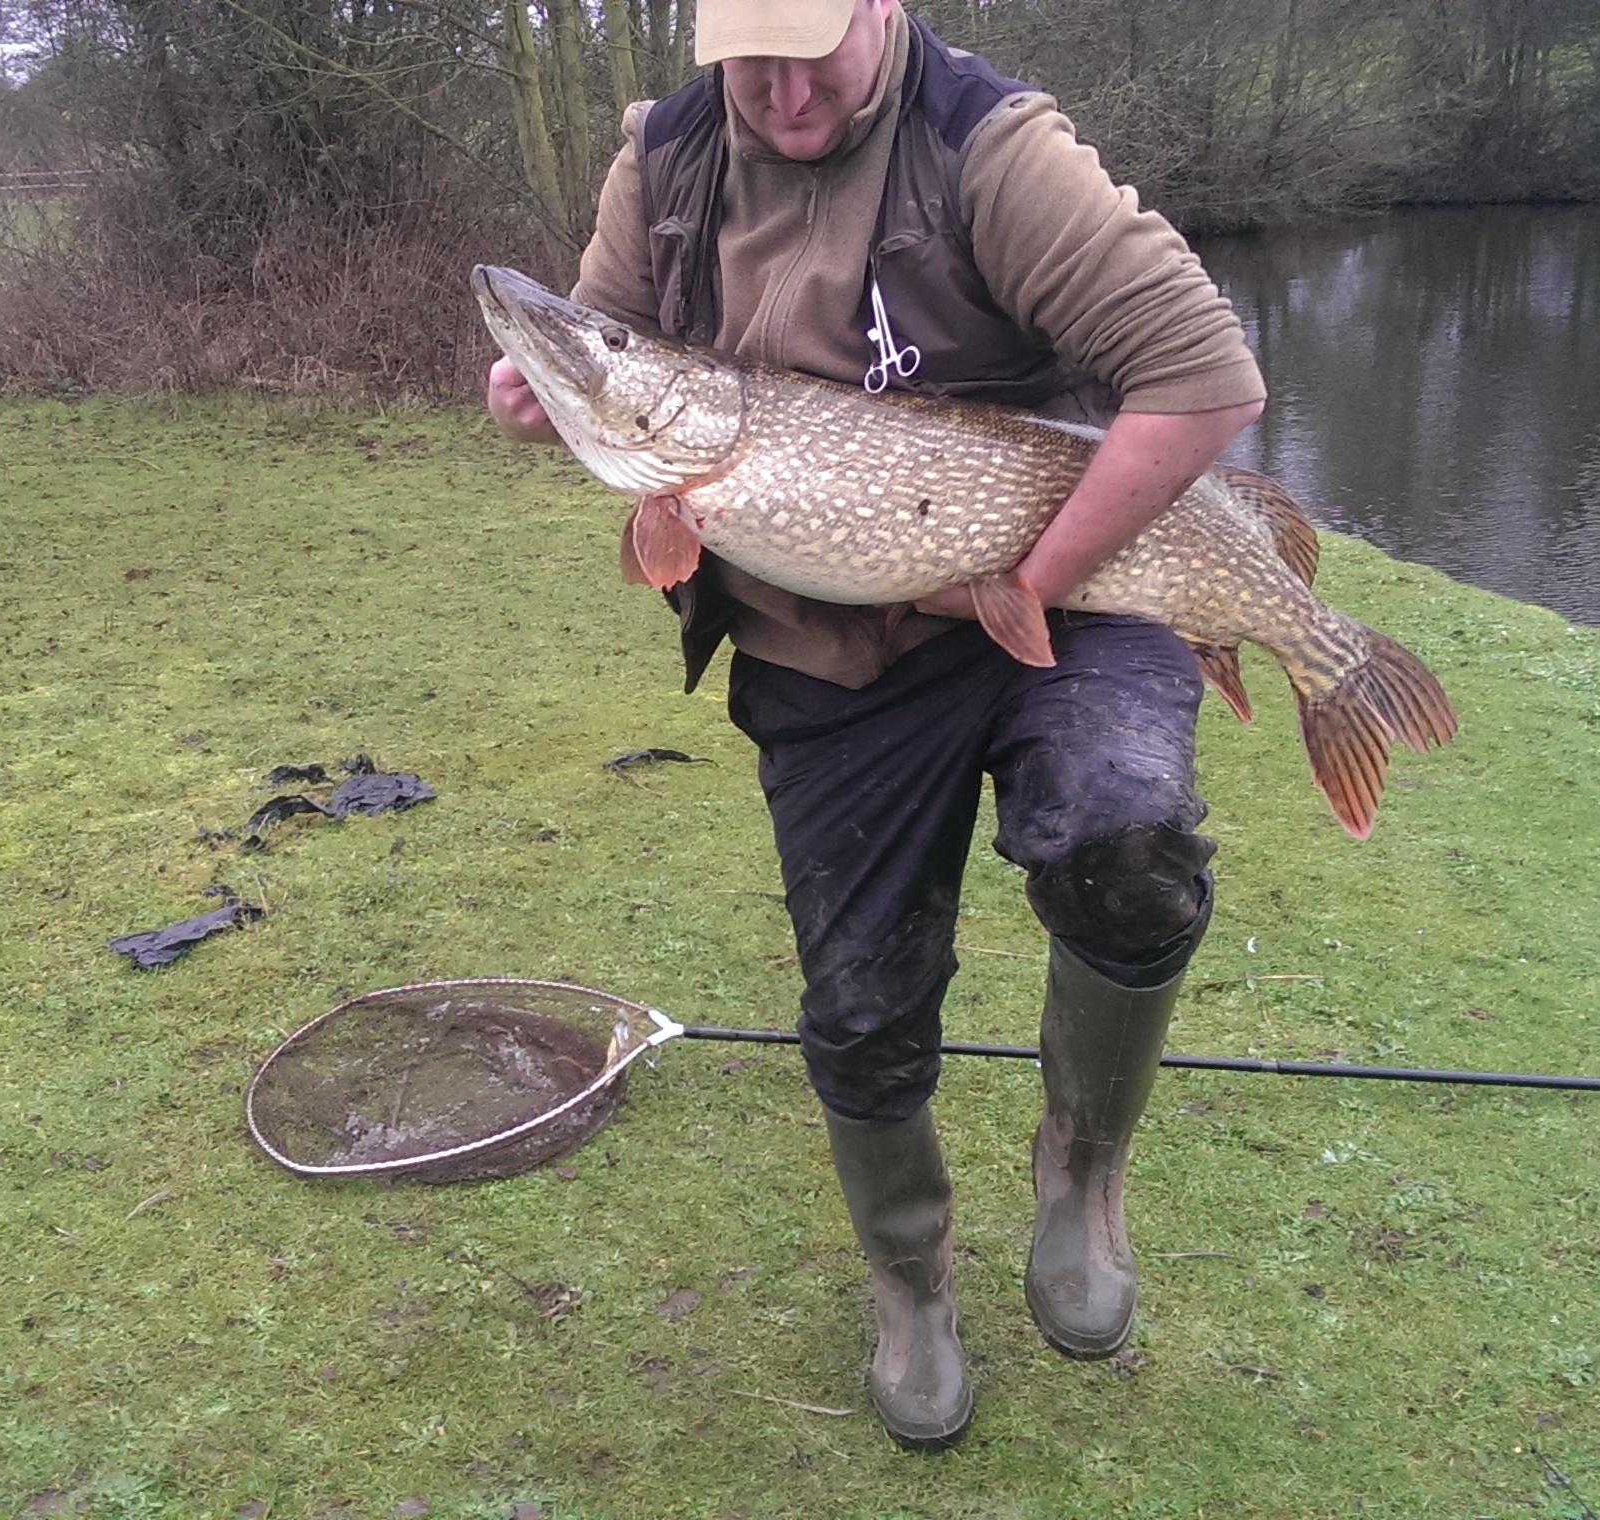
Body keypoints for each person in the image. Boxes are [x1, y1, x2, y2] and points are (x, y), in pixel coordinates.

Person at [487, 0, 1265, 1449]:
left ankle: (1081, 1181)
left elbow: (1206, 379)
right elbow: (618, 348)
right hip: (829, 644)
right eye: (747, 58)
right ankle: (910, 1281)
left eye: (812, 49)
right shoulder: (665, 158)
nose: (778, 92)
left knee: (1132, 851)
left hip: (1069, 580)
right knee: (859, 1004)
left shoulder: (990, 147)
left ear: (881, 9)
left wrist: (1026, 579)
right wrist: (544, 392)